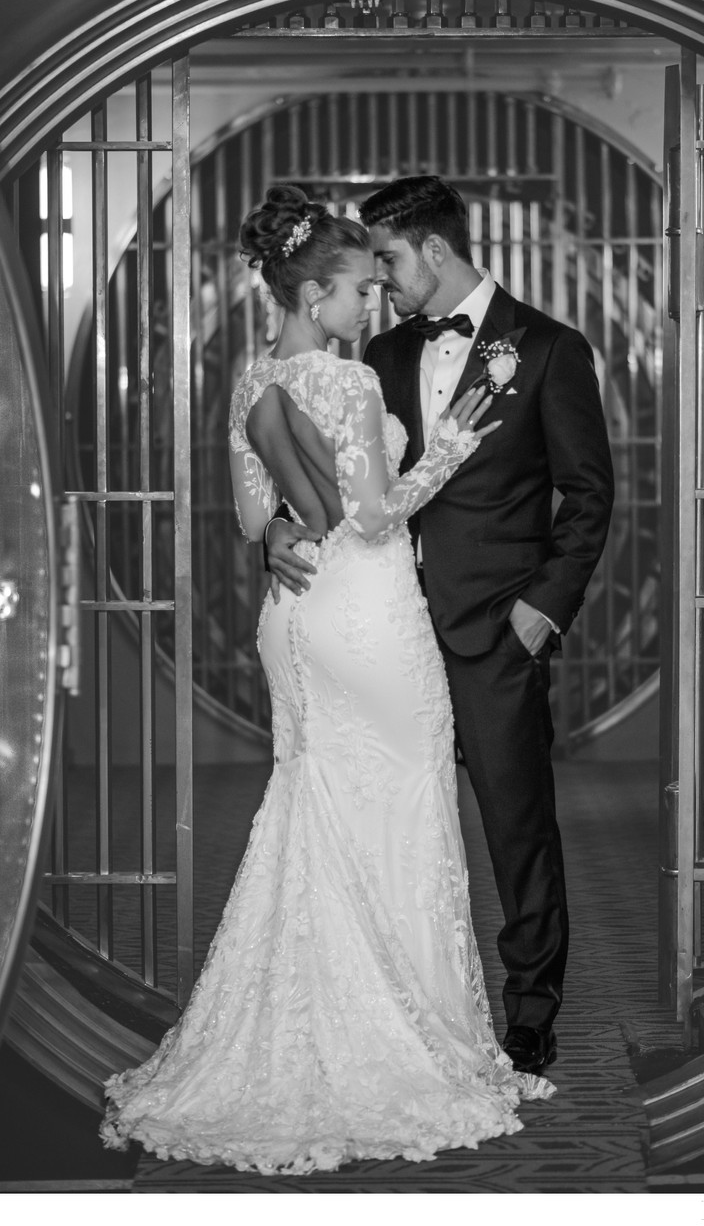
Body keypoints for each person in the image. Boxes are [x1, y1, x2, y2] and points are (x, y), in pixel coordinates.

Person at [99, 185, 553, 1178]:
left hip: (294, 623)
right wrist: (450, 447)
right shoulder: (344, 383)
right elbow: (379, 518)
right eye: (354, 290)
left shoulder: (249, 379)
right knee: (403, 806)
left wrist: (278, 544)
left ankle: (316, 1019)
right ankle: (404, 1028)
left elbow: (254, 518)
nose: (369, 307)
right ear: (313, 295)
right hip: (369, 617)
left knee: (317, 804)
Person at [267, 175, 614, 1077]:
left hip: (498, 631)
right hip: (386, 635)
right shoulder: (375, 357)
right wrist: (271, 528)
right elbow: (323, 473)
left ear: (432, 249)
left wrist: (542, 611)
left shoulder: (546, 348)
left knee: (517, 829)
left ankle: (530, 1017)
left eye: (386, 260)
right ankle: (400, 1013)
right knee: (394, 827)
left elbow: (588, 497)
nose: (378, 282)